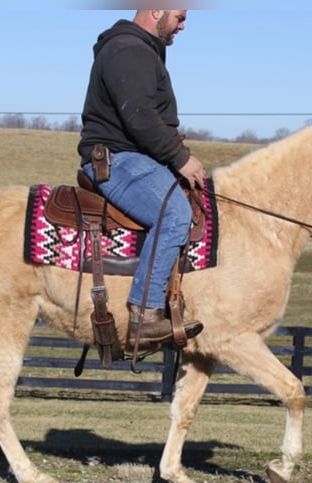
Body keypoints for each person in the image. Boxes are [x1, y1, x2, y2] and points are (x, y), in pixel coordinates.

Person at [78, 9, 204, 349]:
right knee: (175, 214)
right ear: (156, 10)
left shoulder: (143, 50)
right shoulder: (128, 50)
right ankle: (144, 316)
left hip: (136, 157)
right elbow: (139, 118)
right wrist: (180, 158)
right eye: (179, 16)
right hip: (119, 160)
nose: (183, 23)